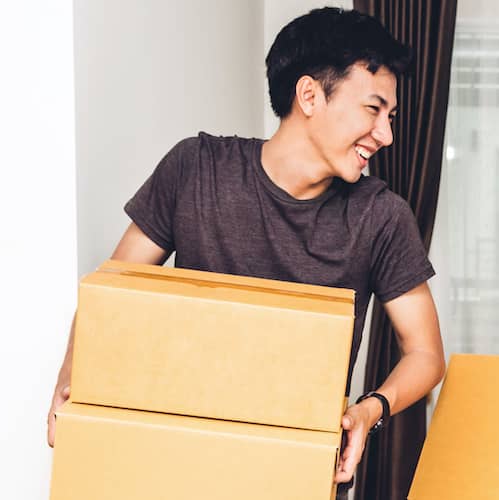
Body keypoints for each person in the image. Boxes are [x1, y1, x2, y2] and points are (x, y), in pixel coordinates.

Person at [45, 7, 445, 495]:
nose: (386, 135)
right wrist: (72, 385)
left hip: (297, 476)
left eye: (391, 116)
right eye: (373, 109)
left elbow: (425, 354)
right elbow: (112, 295)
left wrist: (369, 410)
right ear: (309, 95)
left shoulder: (381, 216)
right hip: (176, 468)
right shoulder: (196, 169)